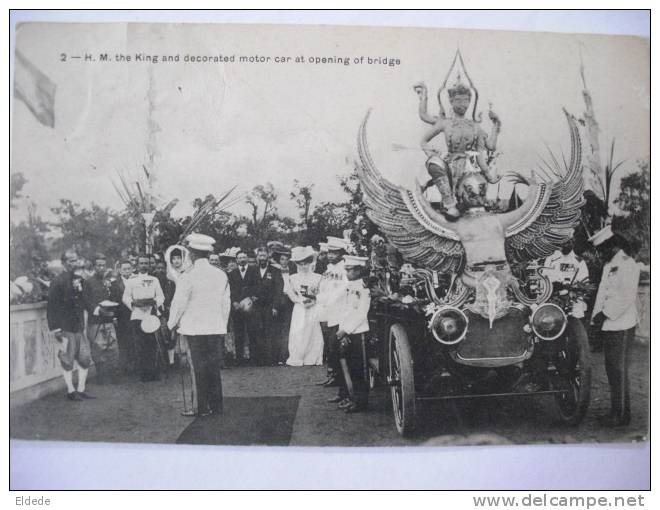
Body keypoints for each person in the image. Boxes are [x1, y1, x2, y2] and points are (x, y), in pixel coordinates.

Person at [416, 77, 501, 219]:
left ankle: (472, 207)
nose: (463, 104)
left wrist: (496, 126)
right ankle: (450, 205)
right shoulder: (445, 122)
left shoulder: (475, 126)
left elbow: (486, 148)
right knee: (434, 162)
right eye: (458, 100)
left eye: (466, 100)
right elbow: (424, 135)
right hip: (450, 168)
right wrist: (423, 96)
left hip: (470, 170)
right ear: (451, 101)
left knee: (473, 191)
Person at [168, 233, 231, 417]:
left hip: (194, 329)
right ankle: (217, 406)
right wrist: (222, 325)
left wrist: (171, 324)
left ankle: (202, 408)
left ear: (192, 253)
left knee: (198, 368)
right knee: (213, 366)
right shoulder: (221, 275)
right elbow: (225, 303)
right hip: (214, 327)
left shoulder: (188, 276)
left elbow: (179, 303)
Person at [590, 226, 641, 427]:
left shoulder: (628, 264)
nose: (600, 253)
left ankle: (621, 415)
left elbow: (626, 296)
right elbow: (602, 294)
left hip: (622, 324)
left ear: (611, 246)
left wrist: (604, 315)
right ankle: (616, 411)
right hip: (610, 325)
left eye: (602, 249)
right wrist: (596, 318)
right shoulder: (610, 264)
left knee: (619, 370)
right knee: (612, 370)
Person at [47, 249, 94, 401]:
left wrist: (97, 309)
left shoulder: (80, 280)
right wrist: (55, 329)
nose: (73, 263)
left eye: (75, 260)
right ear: (63, 262)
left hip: (79, 326)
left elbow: (86, 301)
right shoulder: (57, 281)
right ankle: (70, 390)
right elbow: (52, 307)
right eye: (70, 260)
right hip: (65, 327)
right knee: (67, 359)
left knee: (85, 358)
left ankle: (81, 389)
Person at [335, 255, 371, 413]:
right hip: (349, 332)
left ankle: (361, 402)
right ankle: (352, 398)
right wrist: (342, 329)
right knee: (350, 367)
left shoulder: (363, 287)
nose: (347, 273)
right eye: (346, 270)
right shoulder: (350, 286)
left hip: (359, 332)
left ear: (359, 270)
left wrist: (346, 330)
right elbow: (346, 310)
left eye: (350, 270)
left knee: (359, 370)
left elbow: (362, 313)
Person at [122, 254, 165, 382]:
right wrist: (134, 305)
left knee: (152, 344)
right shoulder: (132, 280)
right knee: (140, 345)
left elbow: (161, 296)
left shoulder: (154, 280)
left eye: (146, 263)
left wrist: (154, 303)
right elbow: (126, 297)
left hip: (151, 315)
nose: (144, 265)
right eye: (141, 263)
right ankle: (143, 374)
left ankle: (153, 373)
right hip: (137, 315)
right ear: (137, 264)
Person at [316, 236, 349, 386]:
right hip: (327, 310)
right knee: (330, 345)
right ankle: (332, 374)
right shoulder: (329, 269)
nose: (330, 255)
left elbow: (342, 290)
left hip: (339, 311)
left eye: (334, 253)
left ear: (341, 253)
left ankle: (338, 377)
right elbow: (323, 287)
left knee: (336, 345)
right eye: (329, 252)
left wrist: (328, 300)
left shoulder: (345, 268)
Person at [82, 253, 119, 383]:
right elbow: (86, 300)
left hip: (108, 319)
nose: (101, 268)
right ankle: (101, 376)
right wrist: (98, 310)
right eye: (99, 265)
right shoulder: (88, 282)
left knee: (112, 346)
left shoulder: (107, 281)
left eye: (103, 265)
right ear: (94, 266)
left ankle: (113, 375)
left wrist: (111, 308)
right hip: (96, 320)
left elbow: (112, 298)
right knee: (98, 348)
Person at [285, 246, 324, 366]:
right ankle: (297, 356)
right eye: (300, 264)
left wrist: (315, 300)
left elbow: (322, 292)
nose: (303, 266)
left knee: (313, 331)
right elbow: (290, 293)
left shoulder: (318, 277)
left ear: (310, 263)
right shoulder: (292, 278)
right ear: (296, 264)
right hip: (300, 307)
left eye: (305, 263)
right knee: (298, 331)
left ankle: (312, 357)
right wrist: (299, 301)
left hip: (313, 307)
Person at [543, 239, 590, 320]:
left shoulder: (579, 262)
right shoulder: (551, 260)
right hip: (554, 302)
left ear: (573, 243)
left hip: (573, 305)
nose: (566, 245)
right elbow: (545, 279)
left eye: (569, 242)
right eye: (564, 242)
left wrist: (571, 289)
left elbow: (584, 284)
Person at [253, 246, 284, 365]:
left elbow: (278, 290)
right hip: (256, 306)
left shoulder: (275, 271)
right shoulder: (253, 271)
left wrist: (275, 306)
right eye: (260, 256)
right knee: (258, 332)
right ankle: (259, 359)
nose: (262, 258)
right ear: (257, 257)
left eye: (264, 256)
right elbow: (248, 287)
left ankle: (271, 359)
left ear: (268, 257)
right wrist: (252, 296)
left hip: (270, 306)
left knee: (270, 332)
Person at [228, 250, 259, 364]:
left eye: (244, 257)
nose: (242, 259)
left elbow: (257, 286)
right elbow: (230, 290)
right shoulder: (232, 273)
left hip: (251, 305)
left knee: (252, 331)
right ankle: (239, 358)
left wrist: (252, 298)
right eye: (239, 258)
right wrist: (234, 302)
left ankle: (253, 357)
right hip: (237, 307)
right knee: (238, 332)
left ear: (247, 258)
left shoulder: (254, 271)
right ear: (236, 260)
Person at [110, 259, 136, 375]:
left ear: (132, 269)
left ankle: (135, 365)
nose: (127, 271)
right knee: (123, 341)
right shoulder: (115, 284)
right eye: (124, 269)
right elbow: (114, 301)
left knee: (134, 340)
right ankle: (125, 367)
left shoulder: (136, 281)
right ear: (120, 270)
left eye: (129, 269)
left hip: (135, 314)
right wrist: (114, 317)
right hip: (122, 316)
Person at [155, 258, 177, 368]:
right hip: (158, 314)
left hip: (169, 313)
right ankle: (162, 362)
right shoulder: (153, 282)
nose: (160, 270)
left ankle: (172, 361)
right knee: (160, 337)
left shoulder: (171, 283)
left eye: (162, 268)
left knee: (171, 337)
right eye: (158, 268)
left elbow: (174, 298)